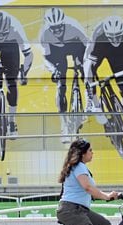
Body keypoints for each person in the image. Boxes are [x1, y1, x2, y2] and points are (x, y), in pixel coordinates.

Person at [84, 15, 123, 146]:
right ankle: (96, 105)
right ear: (106, 34)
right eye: (112, 37)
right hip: (101, 50)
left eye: (118, 36)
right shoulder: (99, 38)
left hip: (120, 55)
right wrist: (90, 84)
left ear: (122, 32)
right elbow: (90, 66)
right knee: (89, 75)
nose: (115, 40)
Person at [40, 7, 88, 144]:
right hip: (57, 52)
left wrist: (85, 64)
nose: (57, 31)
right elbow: (46, 58)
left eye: (60, 27)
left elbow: (88, 47)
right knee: (61, 83)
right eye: (53, 28)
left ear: (64, 23)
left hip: (75, 46)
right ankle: (64, 124)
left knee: (84, 70)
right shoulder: (44, 35)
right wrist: (53, 70)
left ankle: (89, 97)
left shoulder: (74, 27)